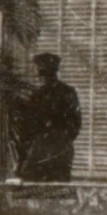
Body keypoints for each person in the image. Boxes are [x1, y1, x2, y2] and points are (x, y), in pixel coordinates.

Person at [11, 53, 82, 182]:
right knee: (55, 189)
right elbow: (75, 125)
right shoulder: (65, 92)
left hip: (47, 149)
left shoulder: (37, 94)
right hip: (55, 148)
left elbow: (75, 124)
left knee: (41, 189)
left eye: (43, 72)